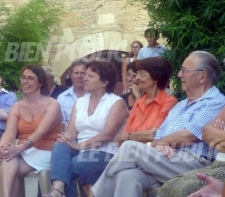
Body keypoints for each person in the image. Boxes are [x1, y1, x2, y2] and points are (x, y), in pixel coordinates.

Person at [92, 51, 225, 197]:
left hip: (193, 163)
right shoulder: (180, 106)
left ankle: (95, 194)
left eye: (185, 70)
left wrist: (157, 144)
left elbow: (188, 136)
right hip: (166, 160)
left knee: (129, 146)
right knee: (127, 176)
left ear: (202, 76)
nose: (179, 75)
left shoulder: (215, 102)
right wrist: (161, 145)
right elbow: (159, 137)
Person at [78, 57, 178, 197]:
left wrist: (130, 137)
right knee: (90, 174)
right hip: (128, 158)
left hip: (150, 158)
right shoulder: (140, 102)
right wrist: (130, 137)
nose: (136, 78)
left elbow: (154, 134)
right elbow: (120, 139)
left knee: (95, 174)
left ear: (155, 78)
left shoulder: (169, 102)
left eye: (141, 74)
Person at [46, 61, 129, 197]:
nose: (85, 78)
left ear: (104, 82)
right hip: (80, 149)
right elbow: (72, 131)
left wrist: (80, 146)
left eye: (90, 76)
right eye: (86, 75)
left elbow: (107, 135)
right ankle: (58, 190)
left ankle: (57, 191)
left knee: (67, 168)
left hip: (104, 151)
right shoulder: (80, 102)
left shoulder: (116, 102)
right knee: (59, 146)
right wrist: (66, 137)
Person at [0, 64, 62, 197]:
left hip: (47, 150)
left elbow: (41, 131)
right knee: (8, 155)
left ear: (40, 83)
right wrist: (2, 147)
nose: (25, 82)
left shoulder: (52, 104)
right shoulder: (17, 106)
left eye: (31, 78)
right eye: (23, 78)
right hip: (24, 151)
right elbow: (9, 132)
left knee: (8, 167)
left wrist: (20, 148)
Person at [157, 111, 225, 196]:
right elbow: (206, 133)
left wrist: (217, 136)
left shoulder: (214, 99)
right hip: (215, 164)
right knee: (135, 174)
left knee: (181, 188)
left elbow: (189, 136)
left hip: (206, 162)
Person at [57, 58, 88, 123]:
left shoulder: (95, 95)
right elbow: (62, 124)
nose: (79, 76)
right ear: (71, 74)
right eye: (76, 73)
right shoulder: (62, 98)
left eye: (83, 73)